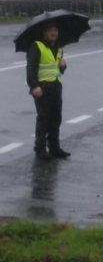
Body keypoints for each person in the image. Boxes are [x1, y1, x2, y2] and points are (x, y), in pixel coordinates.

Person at [26, 21, 69, 160]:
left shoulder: (58, 48)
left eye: (55, 30)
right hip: (42, 88)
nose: (54, 33)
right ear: (44, 33)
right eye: (50, 30)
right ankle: (40, 149)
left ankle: (54, 147)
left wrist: (63, 65)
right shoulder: (37, 46)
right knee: (44, 119)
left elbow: (59, 70)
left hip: (56, 87)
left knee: (56, 119)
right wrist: (34, 86)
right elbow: (31, 68)